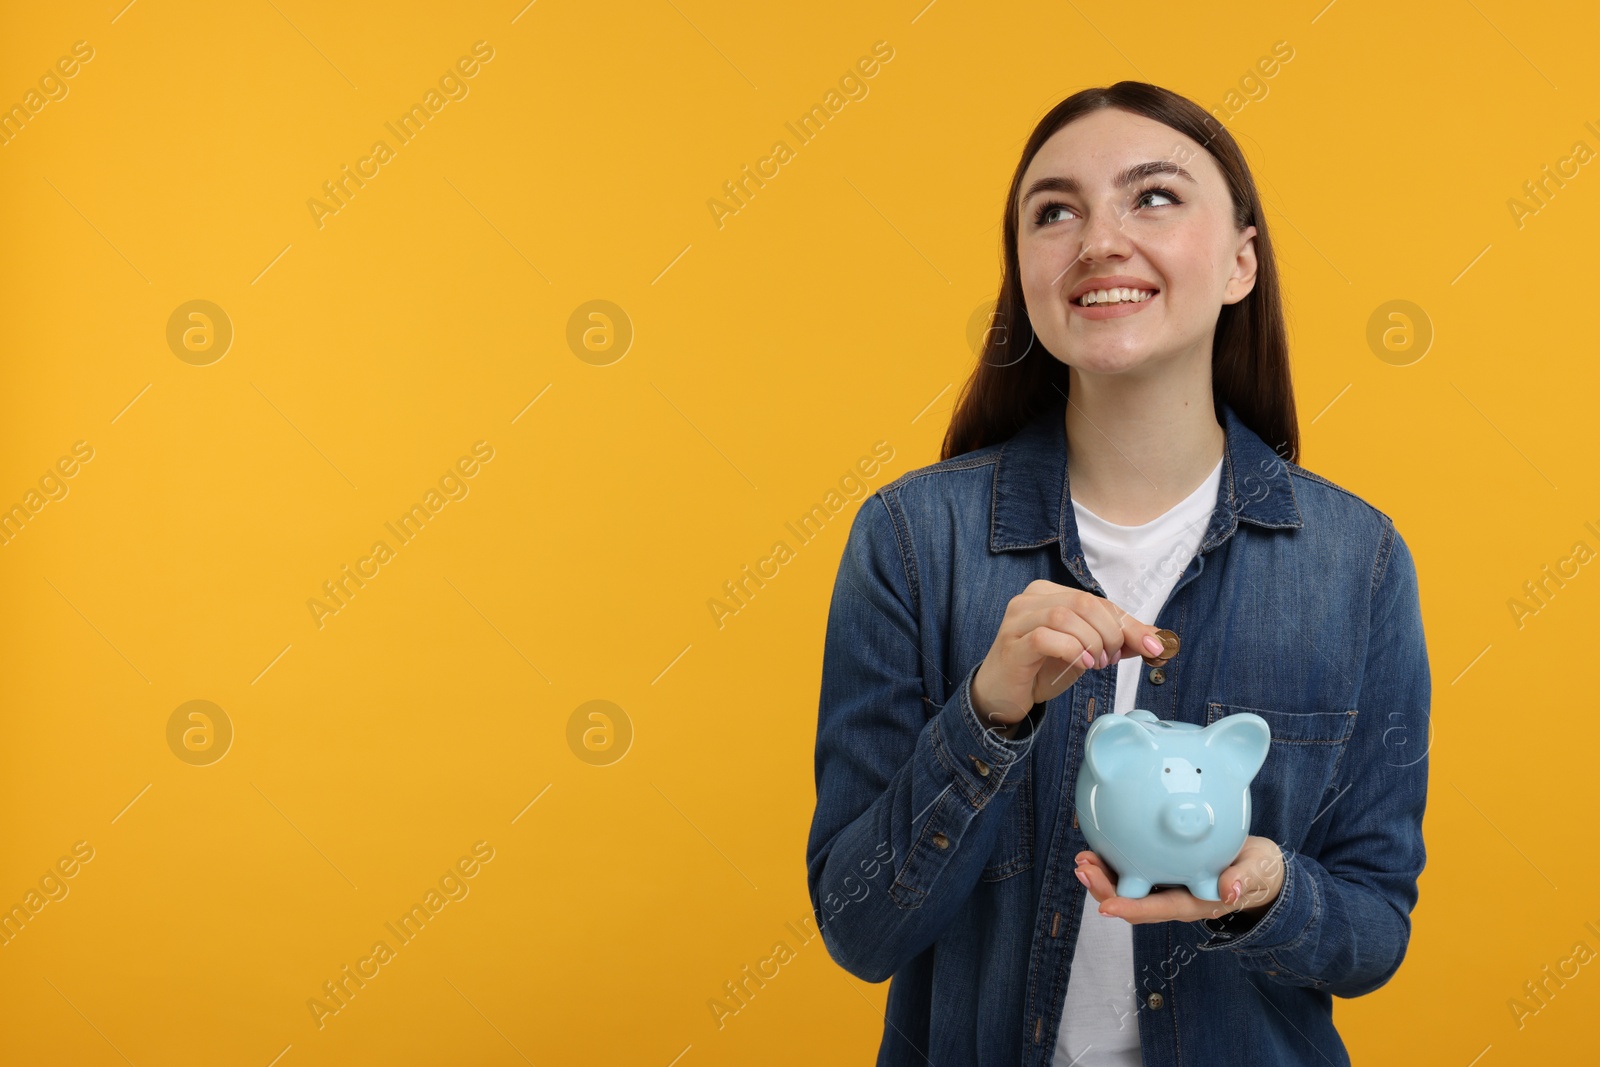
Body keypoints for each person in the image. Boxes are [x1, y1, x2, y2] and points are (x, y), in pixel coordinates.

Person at [804, 81, 1430, 1067]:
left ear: (1239, 262)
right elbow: (857, 925)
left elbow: (1373, 930)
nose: (1098, 238)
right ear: (1024, 271)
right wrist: (988, 714)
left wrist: (1262, 883)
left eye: (1153, 197)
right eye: (1054, 211)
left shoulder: (1358, 563)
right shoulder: (910, 539)